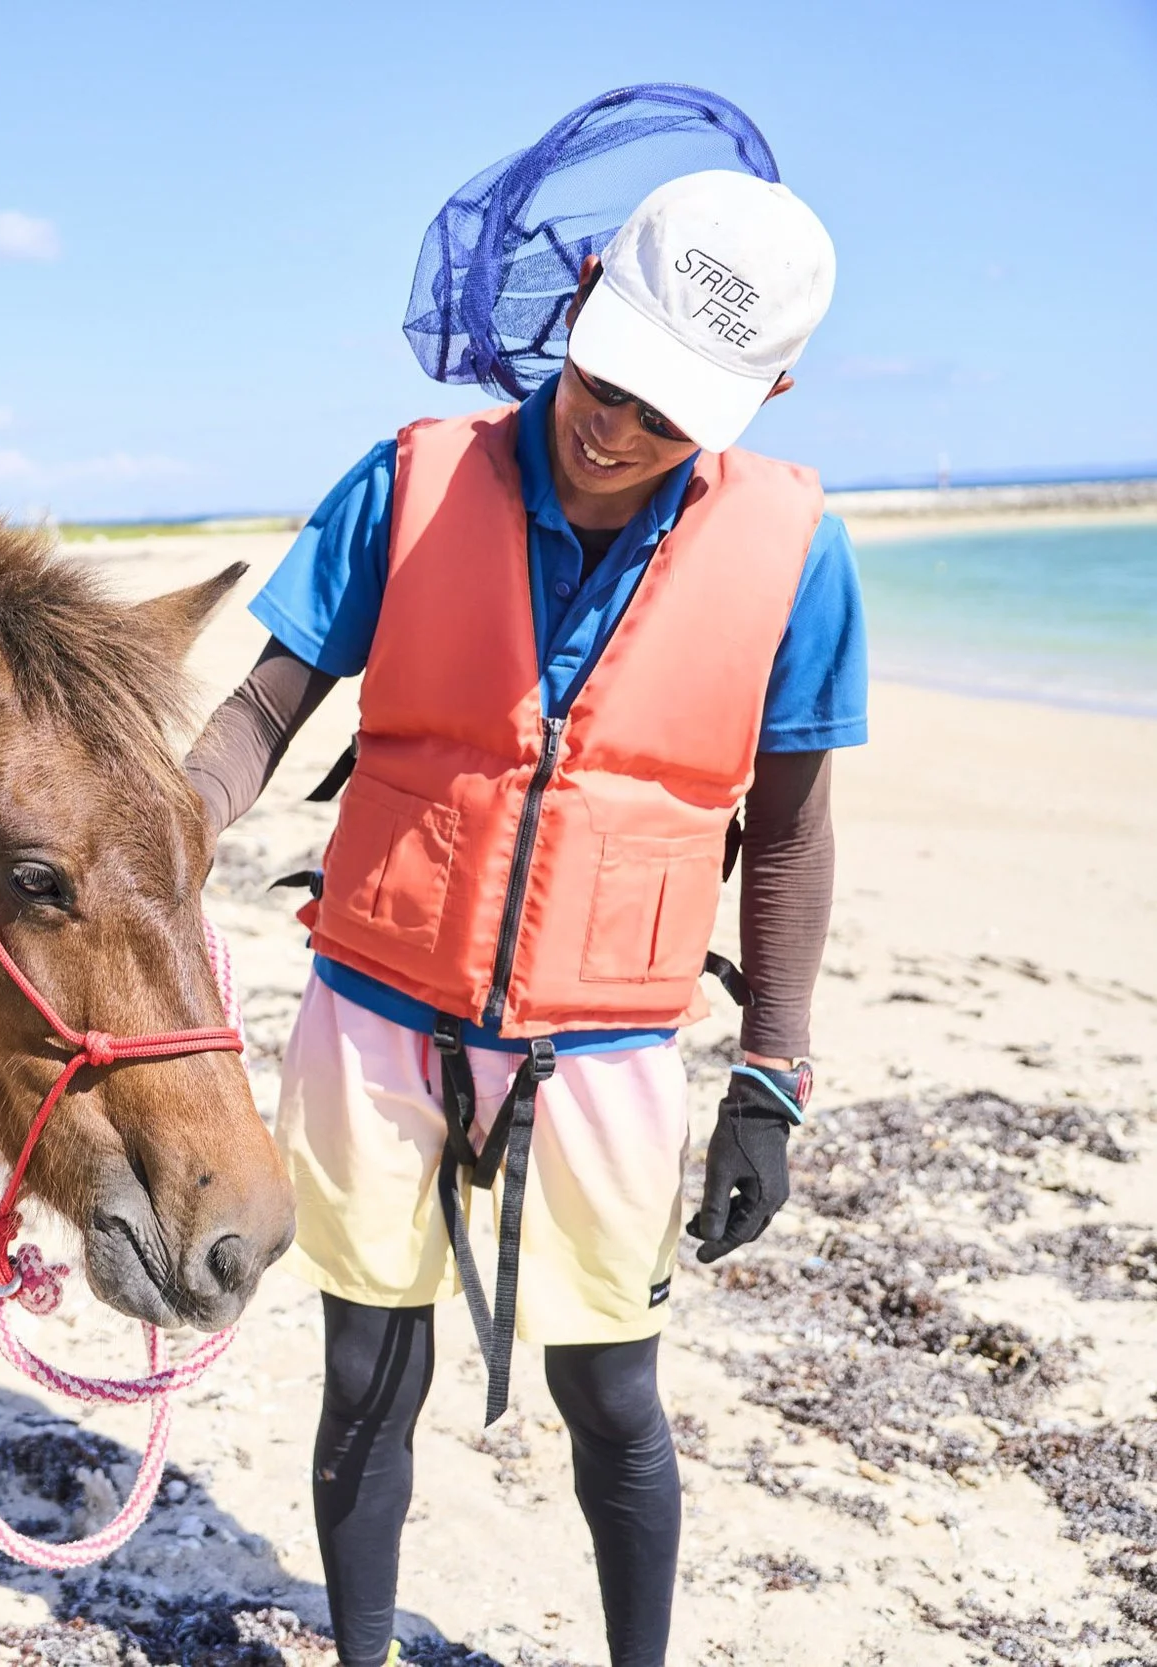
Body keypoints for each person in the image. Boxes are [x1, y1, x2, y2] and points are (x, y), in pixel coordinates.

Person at [183, 169, 862, 1667]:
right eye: (604, 378)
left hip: (606, 1048)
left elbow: (794, 833)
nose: (611, 428)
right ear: (585, 294)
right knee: (367, 1374)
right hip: (377, 1018)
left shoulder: (797, 550)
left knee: (612, 1393)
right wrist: (160, 838)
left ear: (764, 396)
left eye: (665, 415)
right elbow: (260, 715)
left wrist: (772, 1075)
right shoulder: (410, 481)